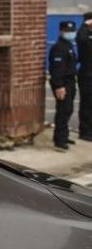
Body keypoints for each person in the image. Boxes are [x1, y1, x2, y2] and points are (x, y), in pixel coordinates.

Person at [49, 20, 78, 151]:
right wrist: (59, 86)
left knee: (68, 110)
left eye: (72, 31)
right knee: (63, 110)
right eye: (67, 31)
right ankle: (59, 140)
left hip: (70, 81)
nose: (70, 33)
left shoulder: (69, 45)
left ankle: (64, 136)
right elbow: (56, 69)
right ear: (61, 31)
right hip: (62, 83)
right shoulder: (58, 47)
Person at [76, 12, 92, 141]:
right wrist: (84, 26)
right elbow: (80, 39)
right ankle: (85, 131)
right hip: (87, 75)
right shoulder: (83, 34)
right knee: (87, 104)